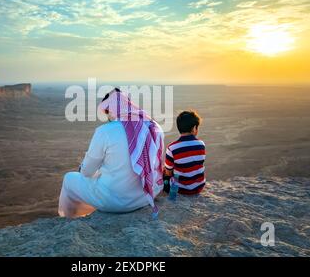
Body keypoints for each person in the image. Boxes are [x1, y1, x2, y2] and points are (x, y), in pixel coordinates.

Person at [58, 88, 165, 218]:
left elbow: (86, 172)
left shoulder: (105, 131)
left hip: (115, 202)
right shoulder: (154, 127)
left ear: (111, 109)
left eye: (107, 111)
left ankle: (69, 218)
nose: (108, 116)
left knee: (69, 178)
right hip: (145, 197)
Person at [164, 110, 206, 195]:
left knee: (165, 170)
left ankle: (168, 193)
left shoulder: (172, 148)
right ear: (194, 128)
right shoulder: (201, 144)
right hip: (199, 187)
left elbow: (168, 172)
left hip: (181, 189)